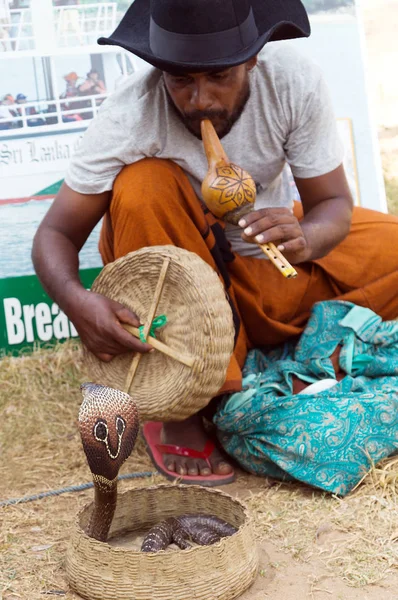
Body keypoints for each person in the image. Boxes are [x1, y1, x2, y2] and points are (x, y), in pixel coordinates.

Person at [32, 0, 398, 488]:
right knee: (144, 185)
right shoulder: (131, 115)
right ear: (159, 68)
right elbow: (54, 234)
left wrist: (307, 238)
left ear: (252, 58)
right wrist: (77, 302)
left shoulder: (292, 82)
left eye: (219, 76)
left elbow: (331, 203)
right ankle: (183, 403)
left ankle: (246, 352)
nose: (199, 98)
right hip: (182, 283)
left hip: (262, 259)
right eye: (180, 79)